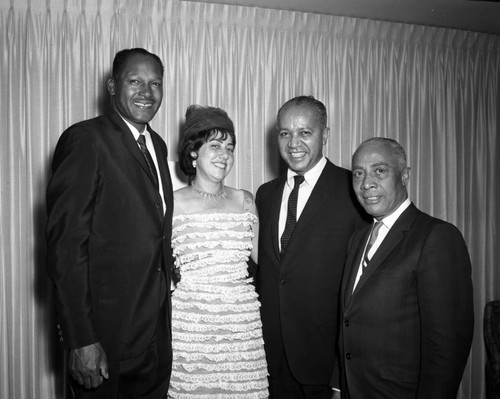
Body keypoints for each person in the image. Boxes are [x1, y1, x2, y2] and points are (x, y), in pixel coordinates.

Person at [45, 48, 173, 398]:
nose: (147, 92)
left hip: (153, 342)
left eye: (155, 83)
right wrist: (81, 340)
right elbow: (66, 247)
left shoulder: (158, 146)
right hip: (103, 344)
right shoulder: (86, 139)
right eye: (135, 81)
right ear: (112, 85)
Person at [339, 137, 474, 399]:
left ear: (404, 175)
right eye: (358, 173)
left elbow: (447, 349)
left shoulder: (436, 237)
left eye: (379, 170)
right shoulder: (357, 239)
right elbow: (348, 321)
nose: (366, 183)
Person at [255, 96, 368, 399]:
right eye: (284, 133)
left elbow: (363, 290)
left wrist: (339, 375)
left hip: (326, 365)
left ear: (325, 135)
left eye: (305, 132)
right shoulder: (265, 195)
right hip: (271, 363)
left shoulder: (354, 191)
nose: (293, 143)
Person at [167, 105, 269, 398]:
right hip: (192, 332)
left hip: (242, 330)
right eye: (215, 146)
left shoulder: (246, 201)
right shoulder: (171, 204)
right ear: (193, 151)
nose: (224, 154)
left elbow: (271, 265)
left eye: (230, 147)